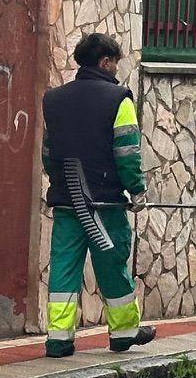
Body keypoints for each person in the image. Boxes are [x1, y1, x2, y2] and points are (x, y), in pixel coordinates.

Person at [41, 33, 156, 359]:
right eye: (115, 63)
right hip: (103, 206)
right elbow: (127, 153)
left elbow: (48, 154)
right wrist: (136, 190)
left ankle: (58, 339)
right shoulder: (118, 99)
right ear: (105, 61)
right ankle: (123, 333)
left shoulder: (54, 100)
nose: (117, 70)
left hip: (67, 202)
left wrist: (64, 185)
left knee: (63, 267)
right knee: (111, 264)